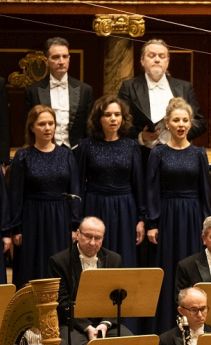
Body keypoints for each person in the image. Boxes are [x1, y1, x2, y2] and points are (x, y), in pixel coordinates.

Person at [145, 97, 211, 333]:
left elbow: (205, 191)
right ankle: (166, 328)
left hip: (192, 216)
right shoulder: (158, 153)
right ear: (167, 123)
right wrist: (152, 223)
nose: (181, 124)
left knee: (191, 268)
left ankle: (194, 325)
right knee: (168, 269)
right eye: (176, 120)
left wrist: (206, 224)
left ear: (190, 123)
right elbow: (151, 189)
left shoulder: (198, 153)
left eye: (185, 120)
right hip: (168, 216)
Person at [4, 105, 79, 287]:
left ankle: (58, 314)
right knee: (31, 269)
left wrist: (74, 225)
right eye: (42, 124)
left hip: (59, 219)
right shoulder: (23, 156)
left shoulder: (66, 154)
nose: (47, 128)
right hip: (32, 219)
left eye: (51, 123)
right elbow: (16, 194)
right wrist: (16, 228)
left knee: (59, 270)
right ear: (32, 128)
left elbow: (75, 191)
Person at [48, 216, 130, 345]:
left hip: (105, 322)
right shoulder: (59, 261)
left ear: (103, 238)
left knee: (127, 340)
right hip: (73, 323)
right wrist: (88, 327)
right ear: (77, 234)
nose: (92, 242)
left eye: (97, 238)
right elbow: (62, 301)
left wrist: (104, 324)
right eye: (88, 236)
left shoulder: (114, 259)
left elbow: (117, 299)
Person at [76, 94, 145, 266]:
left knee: (124, 257)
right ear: (98, 119)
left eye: (117, 114)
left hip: (125, 208)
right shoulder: (86, 145)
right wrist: (77, 219)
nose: (113, 119)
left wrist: (141, 219)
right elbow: (78, 184)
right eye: (107, 115)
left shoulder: (131, 146)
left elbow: (139, 184)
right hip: (95, 205)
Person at [118, 39, 205, 146]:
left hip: (176, 152)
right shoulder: (128, 87)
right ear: (142, 60)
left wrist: (179, 135)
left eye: (162, 56)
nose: (157, 60)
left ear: (167, 62)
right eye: (151, 55)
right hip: (142, 154)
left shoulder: (185, 87)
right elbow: (121, 121)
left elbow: (199, 123)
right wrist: (140, 136)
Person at [24, 37, 93, 148]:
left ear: (69, 59)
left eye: (65, 57)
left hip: (76, 152)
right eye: (56, 57)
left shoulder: (85, 90)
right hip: (44, 151)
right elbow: (29, 127)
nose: (61, 61)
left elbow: (89, 127)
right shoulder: (33, 91)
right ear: (46, 60)